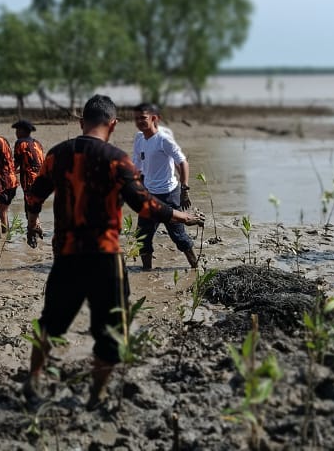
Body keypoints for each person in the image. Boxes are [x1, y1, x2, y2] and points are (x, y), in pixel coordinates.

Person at [22, 95, 200, 409]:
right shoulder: (117, 160)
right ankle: (96, 395)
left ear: (81, 122)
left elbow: (34, 197)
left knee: (50, 322)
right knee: (111, 331)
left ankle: (34, 380)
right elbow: (144, 204)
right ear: (113, 124)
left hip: (66, 255)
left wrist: (33, 224)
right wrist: (180, 215)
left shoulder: (57, 155)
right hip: (104, 257)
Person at [131, 103, 197, 270]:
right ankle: (146, 271)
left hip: (168, 194)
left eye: (143, 118)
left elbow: (182, 162)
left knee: (179, 236)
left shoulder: (163, 140)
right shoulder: (139, 139)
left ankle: (196, 268)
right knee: (142, 237)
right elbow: (137, 164)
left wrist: (185, 189)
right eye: (137, 118)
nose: (139, 121)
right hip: (148, 194)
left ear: (154, 118)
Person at [11, 119, 45, 246]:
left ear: (22, 131)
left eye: (17, 130)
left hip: (29, 179)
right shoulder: (37, 143)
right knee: (34, 205)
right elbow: (36, 163)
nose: (16, 133)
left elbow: (17, 162)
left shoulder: (20, 143)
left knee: (29, 207)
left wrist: (10, 174)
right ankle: (37, 227)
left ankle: (33, 233)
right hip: (41, 177)